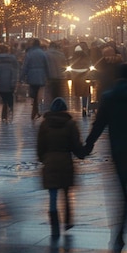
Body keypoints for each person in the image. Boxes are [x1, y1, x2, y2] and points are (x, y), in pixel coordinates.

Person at [84, 63, 127, 253]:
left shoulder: (108, 97)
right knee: (125, 189)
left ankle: (120, 228)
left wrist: (88, 144)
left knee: (121, 187)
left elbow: (100, 122)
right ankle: (122, 228)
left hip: (115, 147)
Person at [37, 97, 86, 239]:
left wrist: (44, 159)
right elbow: (75, 146)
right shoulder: (70, 124)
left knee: (52, 196)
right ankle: (68, 221)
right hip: (65, 162)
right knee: (66, 194)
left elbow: (40, 146)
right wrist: (83, 153)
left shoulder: (44, 125)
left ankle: (54, 224)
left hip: (50, 162)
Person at [21, 39, 50, 120]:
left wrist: (22, 77)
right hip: (41, 75)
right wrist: (48, 76)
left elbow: (25, 66)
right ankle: (36, 110)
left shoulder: (29, 53)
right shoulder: (42, 53)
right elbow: (46, 65)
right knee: (38, 93)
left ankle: (35, 111)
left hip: (32, 75)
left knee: (33, 93)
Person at [0, 44, 18, 121]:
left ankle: (5, 106)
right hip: (11, 79)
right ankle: (10, 108)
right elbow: (16, 69)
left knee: (3, 95)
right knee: (10, 95)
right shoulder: (12, 58)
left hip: (0, 80)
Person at [70, 45, 92, 117]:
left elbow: (71, 68)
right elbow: (89, 66)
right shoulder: (86, 58)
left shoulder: (73, 58)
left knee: (78, 94)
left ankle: (82, 108)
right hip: (85, 78)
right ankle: (85, 108)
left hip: (77, 79)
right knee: (86, 94)